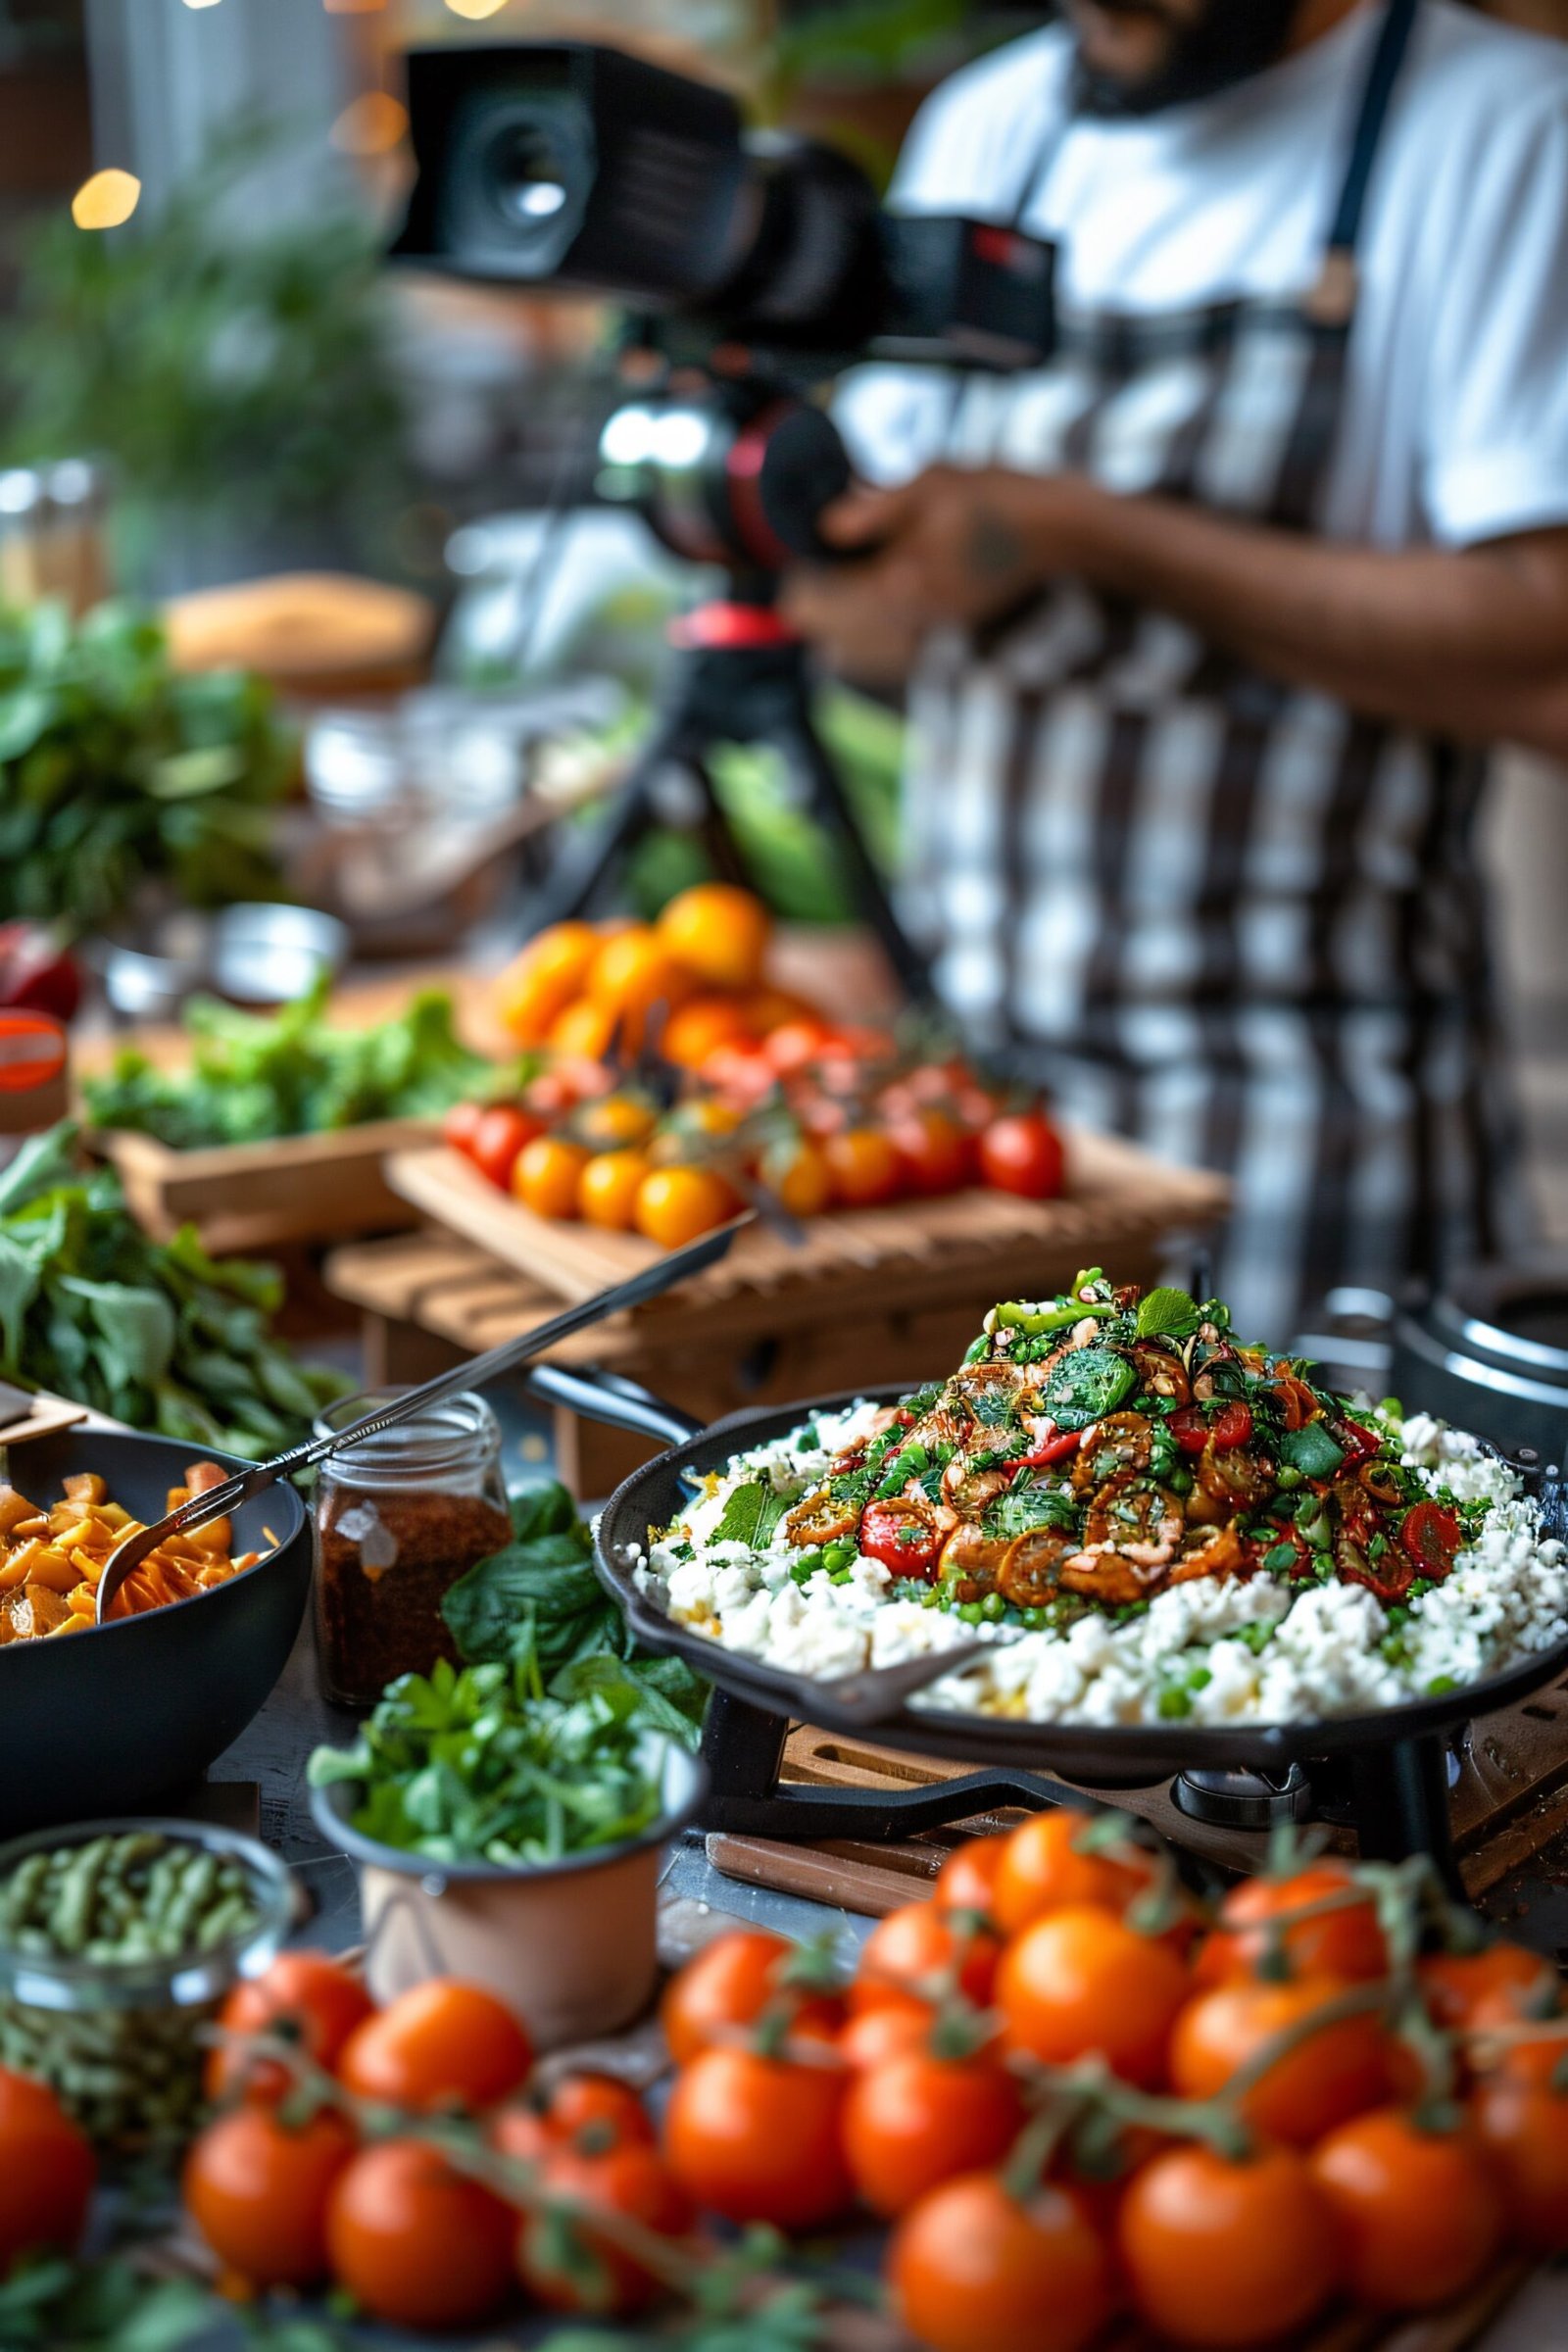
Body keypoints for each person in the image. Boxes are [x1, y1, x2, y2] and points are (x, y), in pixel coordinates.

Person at [786, 0, 1568, 1342]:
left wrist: (1084, 534)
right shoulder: (995, 127)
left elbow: (1544, 638)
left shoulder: (1503, 126)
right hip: (975, 1117)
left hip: (1316, 1125)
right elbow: (865, 624)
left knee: (1324, 1476)